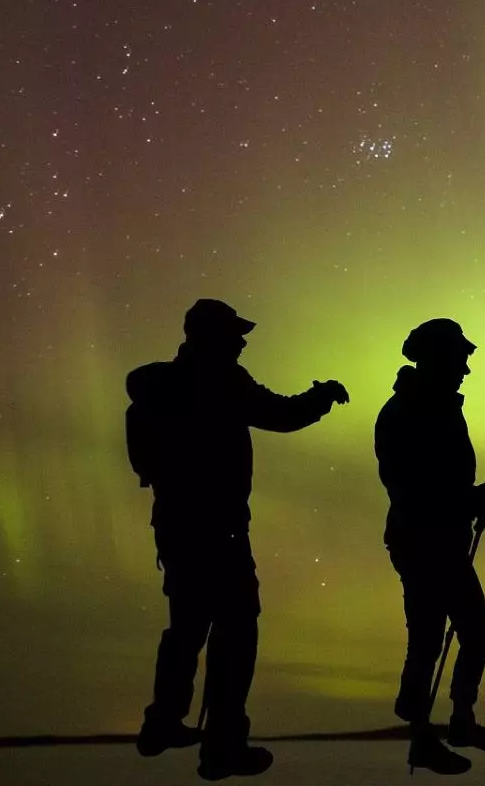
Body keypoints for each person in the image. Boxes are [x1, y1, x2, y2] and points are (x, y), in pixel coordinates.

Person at [127, 298, 349, 780]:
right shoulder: (222, 381)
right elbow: (281, 414)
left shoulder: (160, 387)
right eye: (234, 333)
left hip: (174, 527)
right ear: (210, 336)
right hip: (219, 531)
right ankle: (222, 746)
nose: (243, 341)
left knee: (187, 627)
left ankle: (164, 721)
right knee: (237, 632)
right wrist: (323, 396)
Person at [375, 318, 485, 775]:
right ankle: (426, 733)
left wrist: (483, 496)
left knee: (463, 634)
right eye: (460, 359)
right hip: (424, 541)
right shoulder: (413, 412)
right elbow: (427, 492)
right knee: (432, 639)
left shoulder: (433, 407)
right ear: (438, 357)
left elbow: (445, 487)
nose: (465, 370)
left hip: (436, 539)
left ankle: (455, 722)